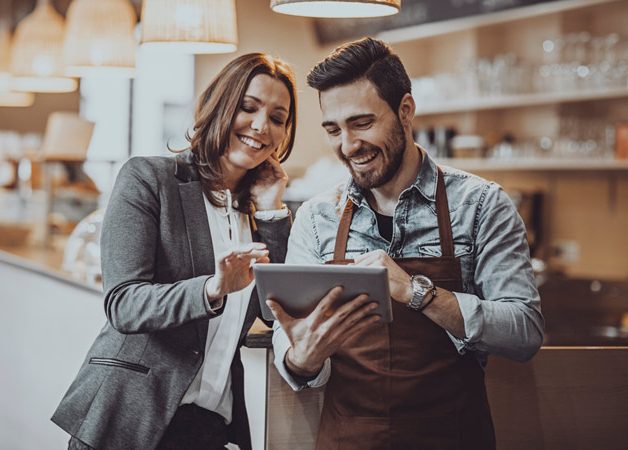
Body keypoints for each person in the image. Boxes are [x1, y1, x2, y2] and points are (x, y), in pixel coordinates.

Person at [267, 37, 545, 450]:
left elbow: (524, 332)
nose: (347, 145)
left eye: (362, 123)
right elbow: (293, 343)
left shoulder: (482, 204)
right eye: (333, 129)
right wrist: (300, 359)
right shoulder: (315, 217)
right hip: (347, 439)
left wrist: (418, 292)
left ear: (405, 110)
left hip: (453, 437)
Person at [51, 53, 297, 450]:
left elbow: (274, 311)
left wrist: (270, 209)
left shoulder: (263, 211)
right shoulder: (149, 179)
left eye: (277, 117)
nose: (260, 126)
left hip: (211, 427)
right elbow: (124, 304)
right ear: (219, 106)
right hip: (130, 419)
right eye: (248, 107)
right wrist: (211, 289)